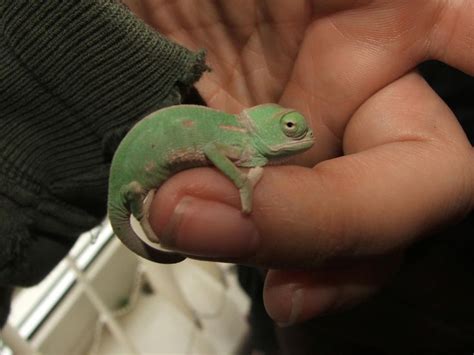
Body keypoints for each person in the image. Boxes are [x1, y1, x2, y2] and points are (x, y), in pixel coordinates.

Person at [1, 0, 473, 353]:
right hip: (132, 180)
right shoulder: (237, 138)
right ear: (267, 126)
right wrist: (241, 182)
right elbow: (208, 149)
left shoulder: (243, 127)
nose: (299, 138)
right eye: (290, 129)